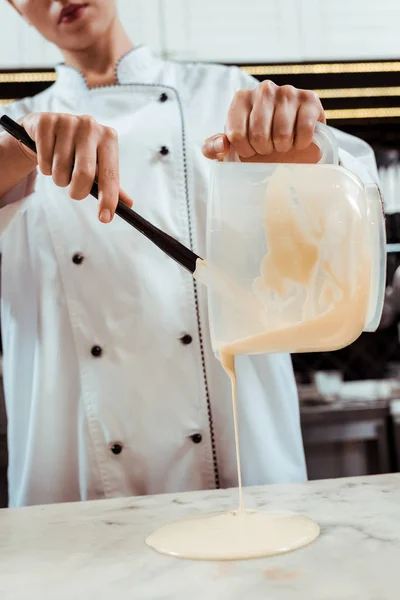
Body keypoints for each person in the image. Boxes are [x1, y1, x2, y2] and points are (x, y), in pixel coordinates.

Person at [0, 0, 379, 508]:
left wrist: (310, 156)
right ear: (15, 11)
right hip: (78, 504)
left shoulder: (227, 96)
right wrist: (20, 151)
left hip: (248, 482)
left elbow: (349, 243)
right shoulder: (14, 139)